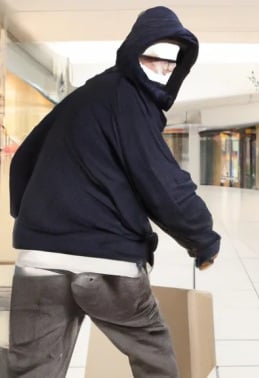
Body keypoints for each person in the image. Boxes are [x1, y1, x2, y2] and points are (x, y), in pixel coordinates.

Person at [6, 6, 220, 378]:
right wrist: (203, 240)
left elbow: (24, 158)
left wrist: (35, 219)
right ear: (133, 54)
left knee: (32, 370)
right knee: (155, 360)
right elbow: (162, 182)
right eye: (154, 60)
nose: (163, 72)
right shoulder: (131, 101)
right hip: (106, 264)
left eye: (171, 66)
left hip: (38, 262)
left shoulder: (83, 97)